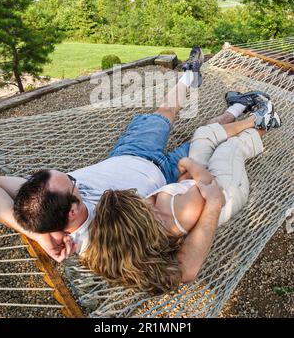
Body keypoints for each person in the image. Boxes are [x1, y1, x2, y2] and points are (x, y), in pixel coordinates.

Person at [0, 46, 275, 274]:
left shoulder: (41, 205)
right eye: (72, 182)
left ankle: (191, 76)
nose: (74, 178)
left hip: (128, 153)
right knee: (209, 137)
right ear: (71, 211)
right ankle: (250, 113)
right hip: (167, 177)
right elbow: (181, 270)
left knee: (166, 112)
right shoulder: (101, 240)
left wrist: (33, 233)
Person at [84, 98, 281, 293]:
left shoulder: (132, 245)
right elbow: (208, 186)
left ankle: (243, 109)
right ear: (139, 216)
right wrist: (187, 164)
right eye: (136, 200)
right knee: (228, 148)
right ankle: (264, 121)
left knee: (204, 134)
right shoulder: (176, 210)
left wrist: (181, 183)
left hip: (196, 185)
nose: (138, 196)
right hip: (222, 188)